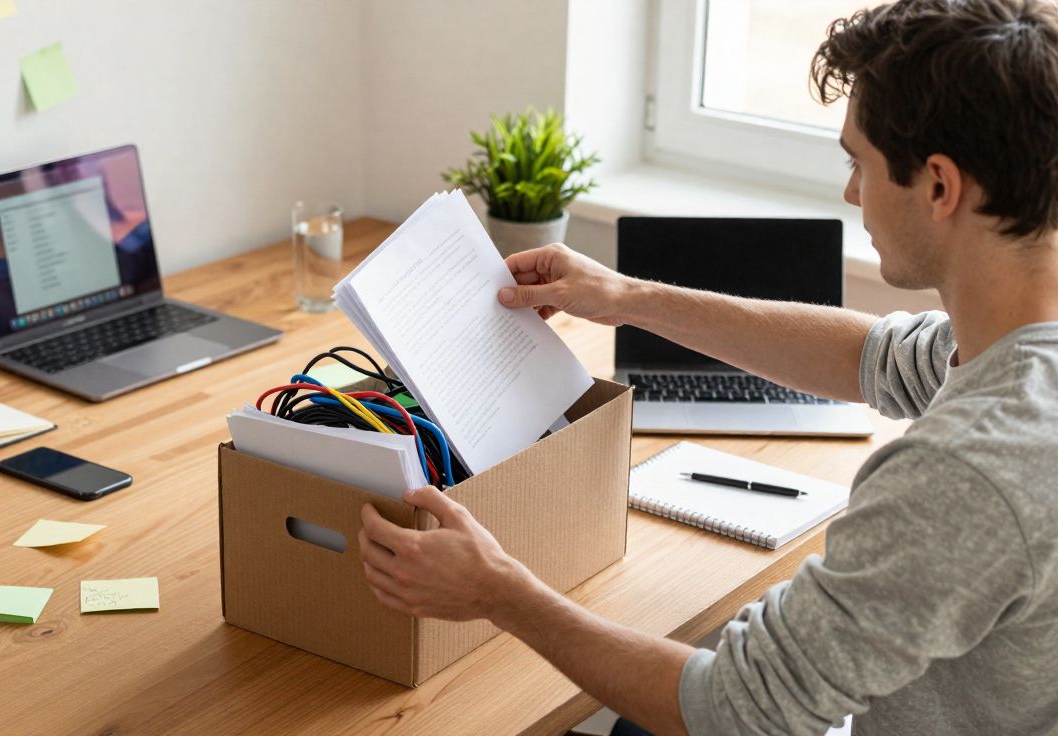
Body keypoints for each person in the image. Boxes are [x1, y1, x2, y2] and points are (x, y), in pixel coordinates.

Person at [357, 1, 1058, 733]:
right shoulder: (1012, 346)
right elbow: (873, 355)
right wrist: (628, 297)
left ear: (940, 186)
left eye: (860, 163)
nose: (852, 193)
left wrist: (499, 591)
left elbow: (729, 708)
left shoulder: (964, 473)